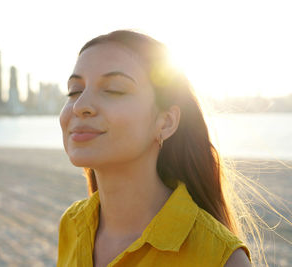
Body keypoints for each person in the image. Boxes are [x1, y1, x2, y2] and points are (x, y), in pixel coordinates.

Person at [57, 30, 252, 266]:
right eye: (74, 90)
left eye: (114, 89)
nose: (80, 105)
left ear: (166, 122)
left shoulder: (221, 258)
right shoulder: (72, 223)